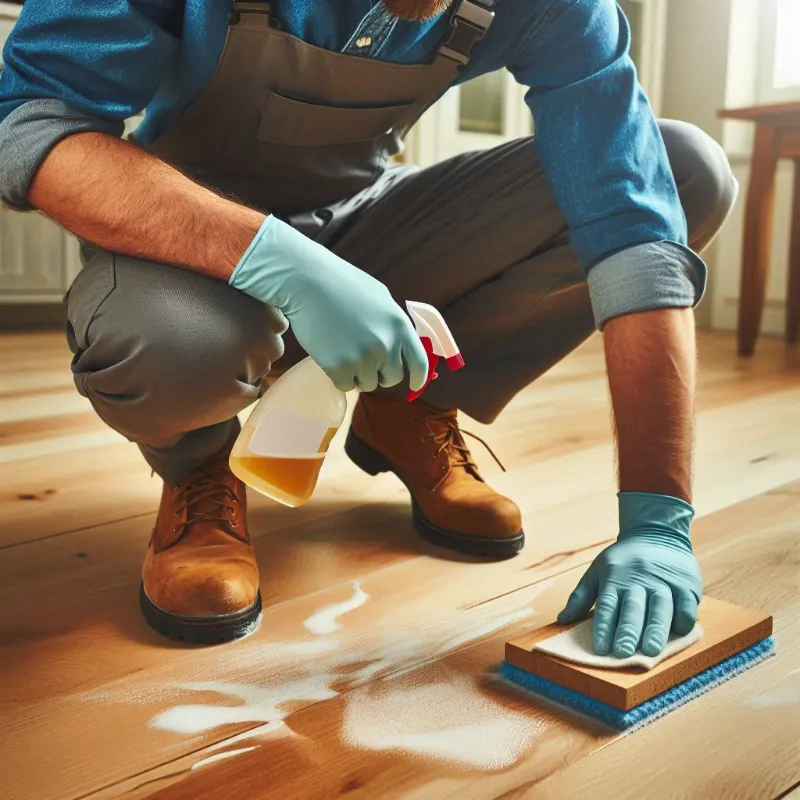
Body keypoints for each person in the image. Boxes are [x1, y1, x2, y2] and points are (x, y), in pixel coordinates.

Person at [0, 0, 736, 651]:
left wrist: (658, 518)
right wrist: (278, 259)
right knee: (181, 347)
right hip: (181, 244)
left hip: (361, 220)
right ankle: (199, 469)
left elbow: (635, 230)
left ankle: (408, 405)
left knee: (686, 169)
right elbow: (30, 121)